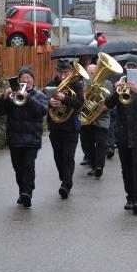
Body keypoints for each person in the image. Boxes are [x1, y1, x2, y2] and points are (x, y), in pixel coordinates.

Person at [104, 56, 137, 215]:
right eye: (129, 67)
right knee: (126, 168)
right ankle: (129, 197)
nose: (131, 69)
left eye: (134, 67)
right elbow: (108, 104)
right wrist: (115, 90)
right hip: (122, 132)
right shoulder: (120, 82)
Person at [0, 65, 49, 208]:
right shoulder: (12, 95)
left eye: (28, 78)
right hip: (14, 138)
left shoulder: (40, 95)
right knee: (18, 168)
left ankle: (27, 193)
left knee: (28, 166)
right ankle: (22, 192)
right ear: (18, 81)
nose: (26, 80)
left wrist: (28, 98)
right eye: (23, 78)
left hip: (32, 139)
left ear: (33, 80)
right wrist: (4, 97)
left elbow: (42, 111)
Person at [45, 59, 85, 199]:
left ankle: (66, 185)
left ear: (70, 71)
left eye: (65, 72)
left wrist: (64, 98)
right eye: (60, 72)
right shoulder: (51, 85)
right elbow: (42, 104)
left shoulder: (77, 85)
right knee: (58, 156)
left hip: (71, 128)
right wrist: (50, 103)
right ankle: (64, 177)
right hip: (55, 126)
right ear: (57, 71)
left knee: (68, 156)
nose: (62, 75)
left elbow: (80, 103)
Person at [80, 64, 112, 178]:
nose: (91, 74)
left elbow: (111, 100)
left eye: (93, 72)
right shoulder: (83, 82)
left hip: (101, 118)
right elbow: (79, 99)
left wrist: (106, 107)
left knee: (101, 144)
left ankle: (99, 167)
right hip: (85, 118)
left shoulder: (107, 83)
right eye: (89, 72)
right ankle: (93, 164)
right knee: (86, 144)